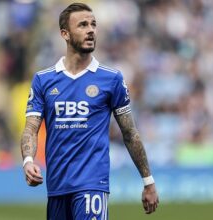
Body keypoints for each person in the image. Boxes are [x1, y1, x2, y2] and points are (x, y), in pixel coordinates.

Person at [21, 3, 159, 219]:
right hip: (57, 186)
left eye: (93, 24)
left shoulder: (111, 79)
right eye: (83, 25)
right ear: (65, 34)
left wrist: (148, 181)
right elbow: (31, 128)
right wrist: (28, 161)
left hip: (92, 184)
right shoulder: (43, 80)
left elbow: (130, 133)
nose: (91, 30)